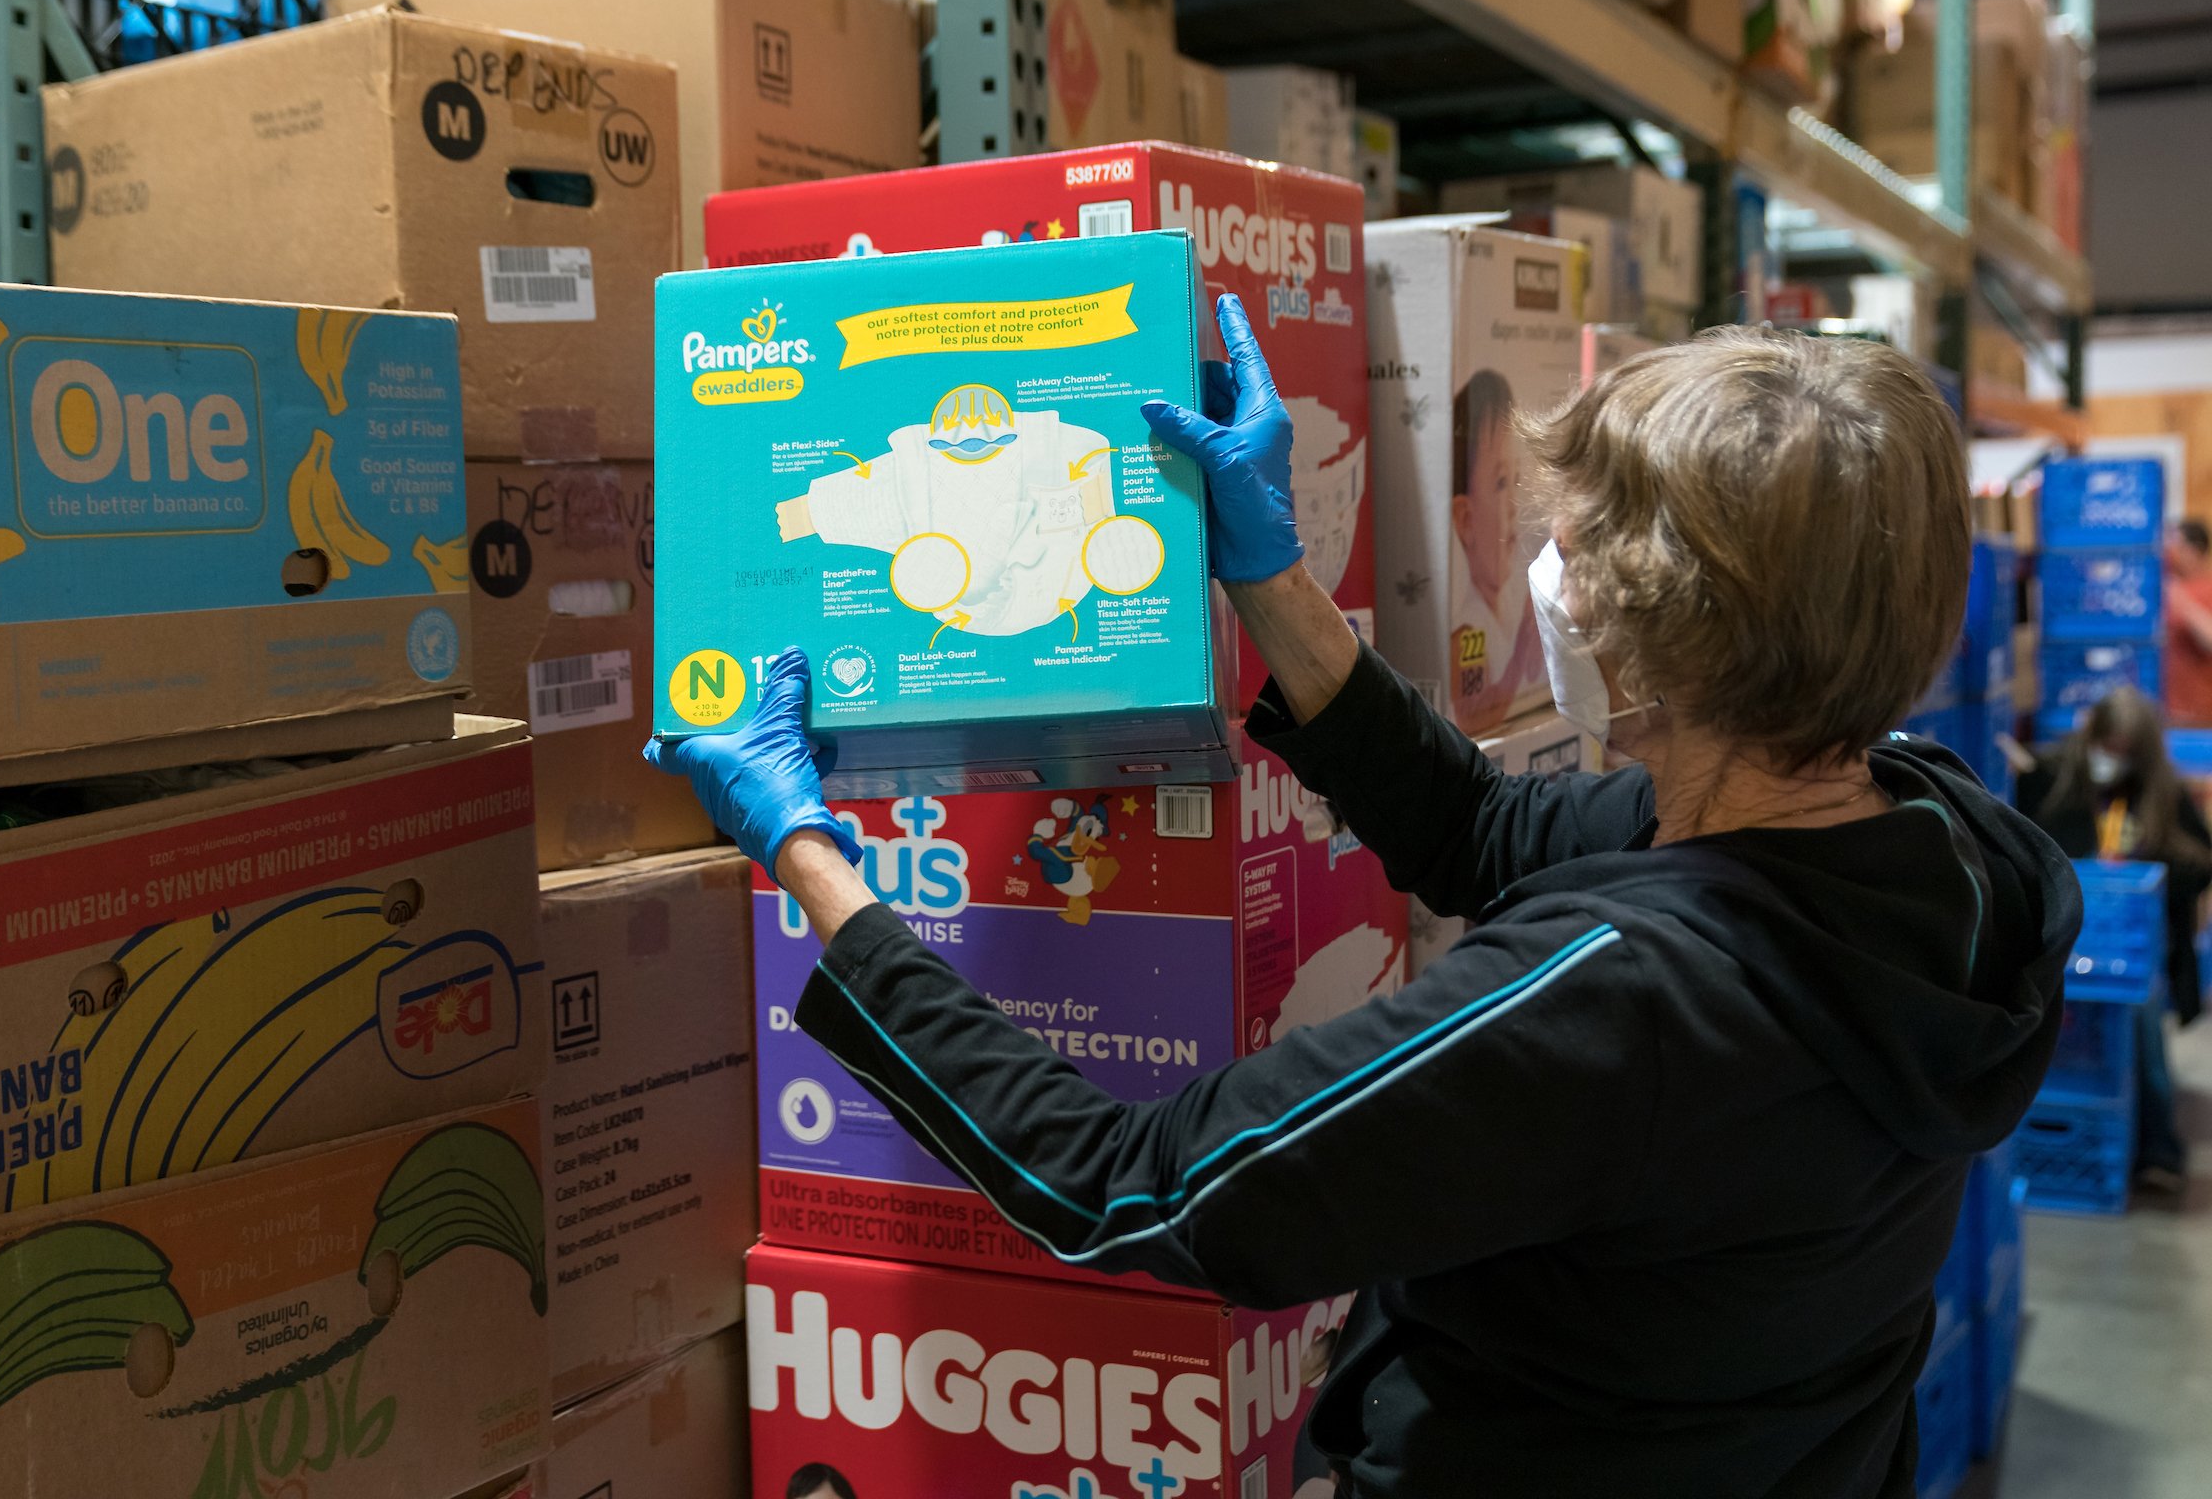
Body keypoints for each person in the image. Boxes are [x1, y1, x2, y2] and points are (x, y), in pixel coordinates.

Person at [653, 303, 2078, 1498]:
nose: (1550, 582)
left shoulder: (1615, 1001)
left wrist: (805, 846)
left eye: (1574, 555)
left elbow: (1128, 1185)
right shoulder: (1941, 844)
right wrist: (1273, 574)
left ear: (1668, 635)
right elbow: (1481, 827)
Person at [2016, 686, 2210, 1187]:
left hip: (2131, 950)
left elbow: (2201, 862)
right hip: (2067, 940)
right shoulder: (2053, 779)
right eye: (2109, 746)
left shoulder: (2163, 792)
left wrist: (2145, 871)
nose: (2113, 760)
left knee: (2142, 1035)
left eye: (2126, 751)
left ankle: (2159, 1152)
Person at [1447, 368, 1547, 734]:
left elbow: (1535, 675)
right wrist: (1524, 645)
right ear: (1467, 520)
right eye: (1502, 482)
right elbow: (1472, 716)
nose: (1515, 504)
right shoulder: (1467, 627)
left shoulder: (1506, 605)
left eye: (1518, 480)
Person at [2162, 518, 2212, 727]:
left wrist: (2179, 599)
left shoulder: (2207, 589)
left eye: (2176, 545)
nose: (2170, 552)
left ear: (2193, 550)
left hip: (2200, 716)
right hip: (2165, 712)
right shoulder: (2162, 588)